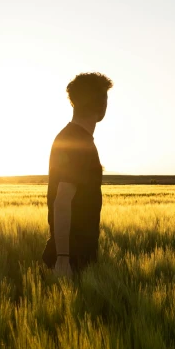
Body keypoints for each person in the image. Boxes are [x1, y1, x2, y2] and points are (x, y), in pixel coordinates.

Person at [42, 72, 113, 277]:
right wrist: (63, 259)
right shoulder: (77, 142)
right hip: (72, 259)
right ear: (101, 104)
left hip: (74, 255)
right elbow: (62, 200)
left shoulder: (73, 138)